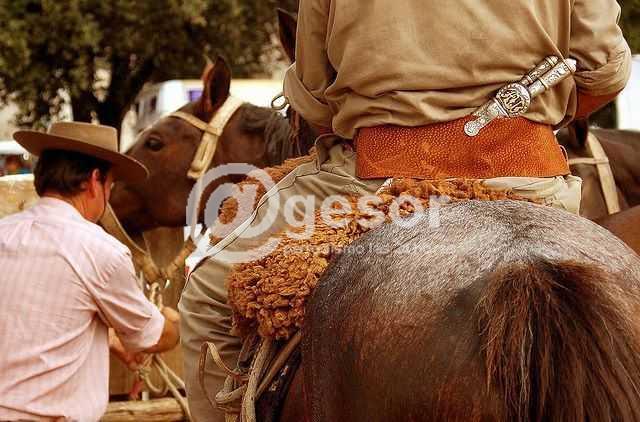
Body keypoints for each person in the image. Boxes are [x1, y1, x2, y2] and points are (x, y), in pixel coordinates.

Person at [179, 1, 632, 420]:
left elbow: (315, 100)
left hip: (380, 182)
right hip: (528, 181)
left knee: (207, 299)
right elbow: (605, 73)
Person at [0, 122, 181, 421]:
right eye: (110, 185)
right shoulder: (100, 250)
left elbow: (30, 318)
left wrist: (108, 338)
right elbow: (151, 337)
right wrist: (173, 323)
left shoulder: (5, 232)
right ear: (95, 181)